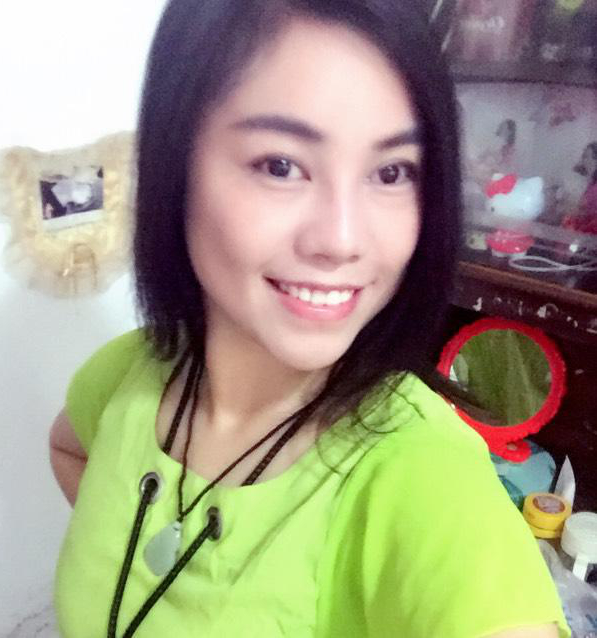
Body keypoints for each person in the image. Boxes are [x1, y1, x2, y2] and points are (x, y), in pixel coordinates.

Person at [49, 1, 570, 636]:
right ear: (172, 166)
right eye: (281, 165)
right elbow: (67, 447)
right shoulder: (126, 375)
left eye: (391, 172)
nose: (342, 240)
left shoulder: (420, 472)